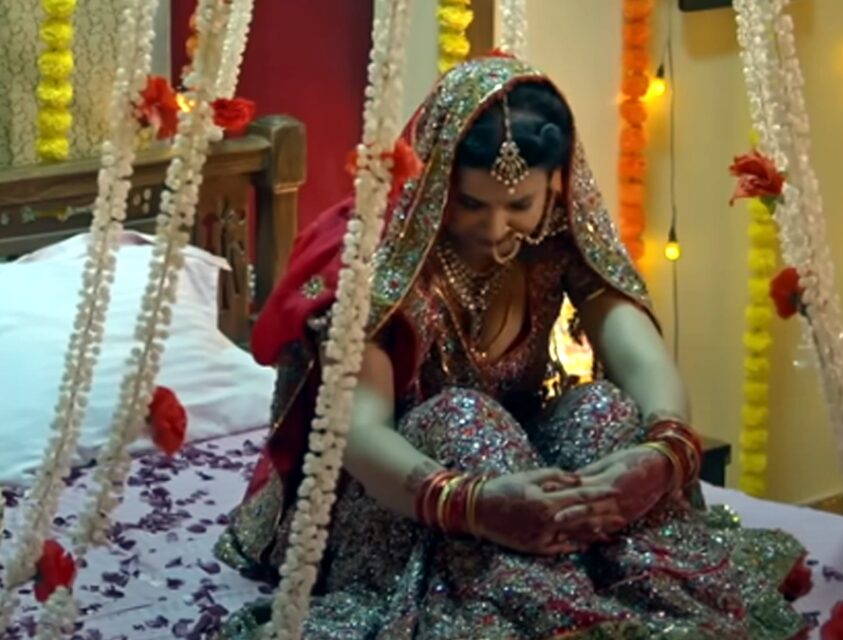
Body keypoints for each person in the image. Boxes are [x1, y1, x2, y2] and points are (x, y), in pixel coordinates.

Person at [215, 55, 807, 639]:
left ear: (557, 184)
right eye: (471, 204)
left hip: (522, 472)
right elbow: (361, 432)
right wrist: (474, 504)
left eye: (519, 205)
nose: (496, 229)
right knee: (462, 415)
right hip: (402, 498)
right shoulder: (378, 260)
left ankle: (601, 595)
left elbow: (637, 351)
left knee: (604, 408)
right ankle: (576, 608)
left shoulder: (556, 239)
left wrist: (664, 452)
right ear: (437, 181)